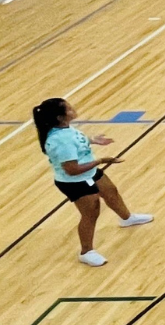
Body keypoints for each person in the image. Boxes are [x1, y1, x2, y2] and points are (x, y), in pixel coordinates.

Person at [35, 97, 153, 267]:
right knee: (91, 213)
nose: (73, 108)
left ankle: (127, 218)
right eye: (68, 108)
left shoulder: (64, 129)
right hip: (75, 181)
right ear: (60, 117)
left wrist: (93, 140)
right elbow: (72, 169)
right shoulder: (61, 141)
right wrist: (101, 161)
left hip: (89, 172)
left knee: (110, 191)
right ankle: (86, 252)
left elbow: (75, 138)